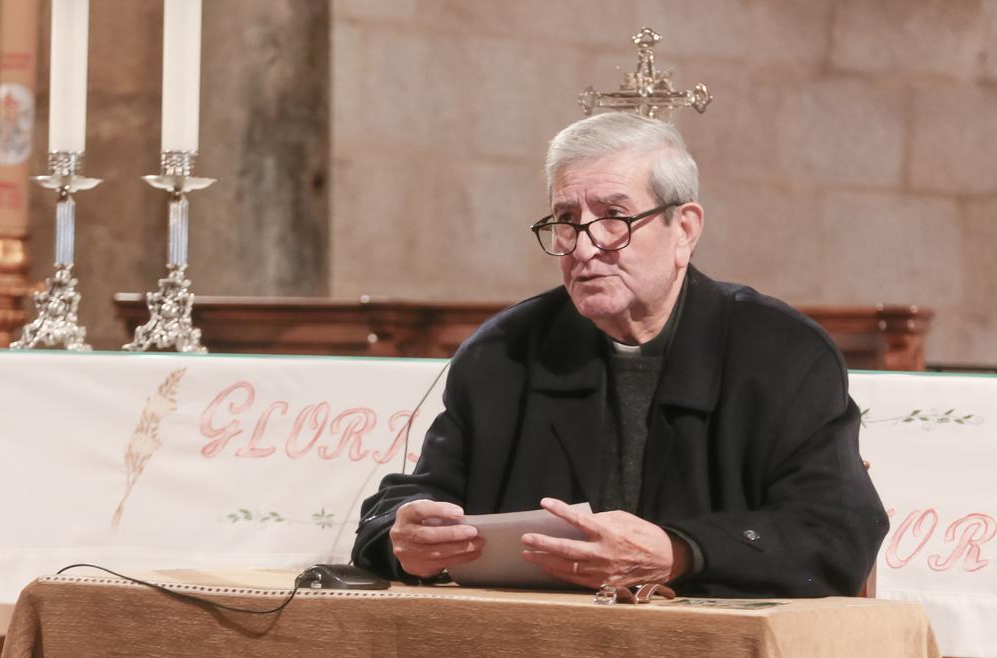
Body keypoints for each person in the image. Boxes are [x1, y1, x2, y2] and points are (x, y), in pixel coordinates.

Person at [351, 112, 889, 597]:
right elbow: (410, 505)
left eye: (614, 217)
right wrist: (401, 535)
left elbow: (836, 532)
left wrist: (680, 553)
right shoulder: (502, 355)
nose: (584, 248)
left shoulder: (781, 354)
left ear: (684, 230)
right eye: (566, 220)